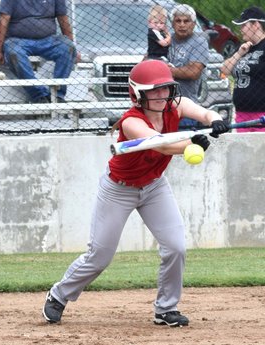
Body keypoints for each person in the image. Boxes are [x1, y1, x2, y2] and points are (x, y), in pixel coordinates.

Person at [42, 59, 229, 328]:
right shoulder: (130, 122)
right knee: (100, 255)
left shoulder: (174, 106)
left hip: (154, 186)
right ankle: (60, 294)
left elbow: (204, 112)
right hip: (119, 189)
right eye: (154, 90)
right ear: (138, 94)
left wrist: (216, 121)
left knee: (175, 247)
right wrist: (191, 142)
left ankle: (166, 309)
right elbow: (160, 145)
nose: (162, 95)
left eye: (165, 89)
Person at [0, 0, 76, 104]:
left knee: (68, 47)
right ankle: (39, 95)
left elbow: (63, 19)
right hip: (18, 40)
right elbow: (3, 21)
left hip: (48, 40)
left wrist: (74, 47)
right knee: (13, 51)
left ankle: (58, 95)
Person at [221, 6, 265, 132]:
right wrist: (239, 53)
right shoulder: (243, 47)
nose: (240, 30)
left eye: (243, 25)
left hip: (262, 115)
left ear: (255, 25)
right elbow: (224, 70)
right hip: (242, 114)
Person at [167, 4, 209, 129]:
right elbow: (147, 62)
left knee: (183, 144)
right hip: (161, 107)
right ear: (172, 23)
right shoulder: (166, 40)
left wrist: (165, 71)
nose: (182, 24)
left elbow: (193, 72)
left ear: (194, 23)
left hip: (186, 108)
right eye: (178, 21)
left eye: (186, 21)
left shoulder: (199, 42)